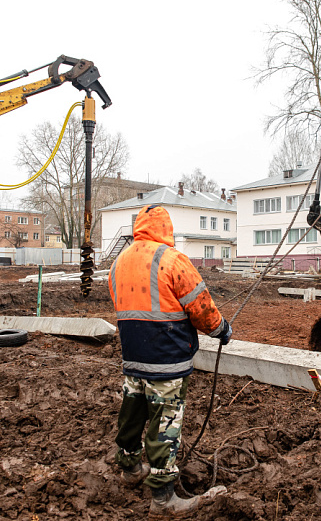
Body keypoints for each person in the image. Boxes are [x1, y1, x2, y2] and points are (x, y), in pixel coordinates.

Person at [108, 204, 231, 519]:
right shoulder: (173, 260)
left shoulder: (118, 263)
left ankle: (131, 469)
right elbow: (202, 310)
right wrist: (222, 331)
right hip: (167, 360)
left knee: (132, 413)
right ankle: (163, 499)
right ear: (166, 229)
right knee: (165, 424)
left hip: (133, 357)